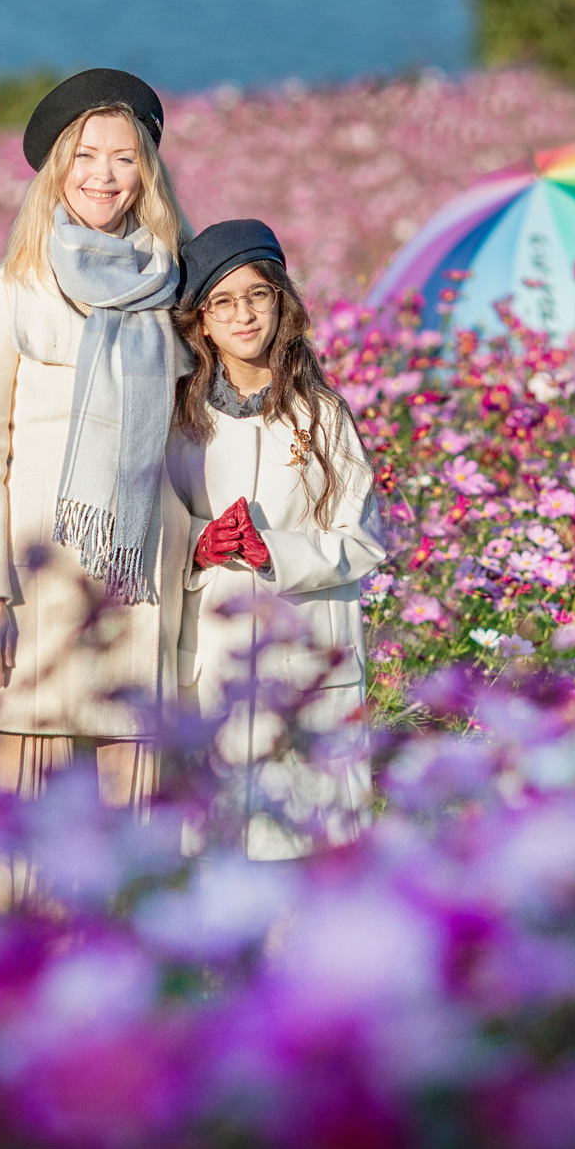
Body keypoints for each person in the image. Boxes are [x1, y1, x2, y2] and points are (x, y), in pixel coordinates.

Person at [0, 69, 193, 804]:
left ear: (145, 173)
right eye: (85, 155)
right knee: (15, 800)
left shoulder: (179, 290)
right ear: (58, 168)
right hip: (38, 586)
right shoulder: (10, 292)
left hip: (141, 580)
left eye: (123, 157)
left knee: (139, 805)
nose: (103, 175)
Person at [167, 220, 386, 857]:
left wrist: (275, 552)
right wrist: (202, 544)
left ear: (281, 303)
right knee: (220, 845)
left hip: (308, 656)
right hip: (216, 656)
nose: (243, 315)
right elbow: (159, 525)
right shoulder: (182, 417)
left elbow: (363, 538)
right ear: (200, 321)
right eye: (223, 301)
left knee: (309, 850)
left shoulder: (322, 414)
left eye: (258, 295)